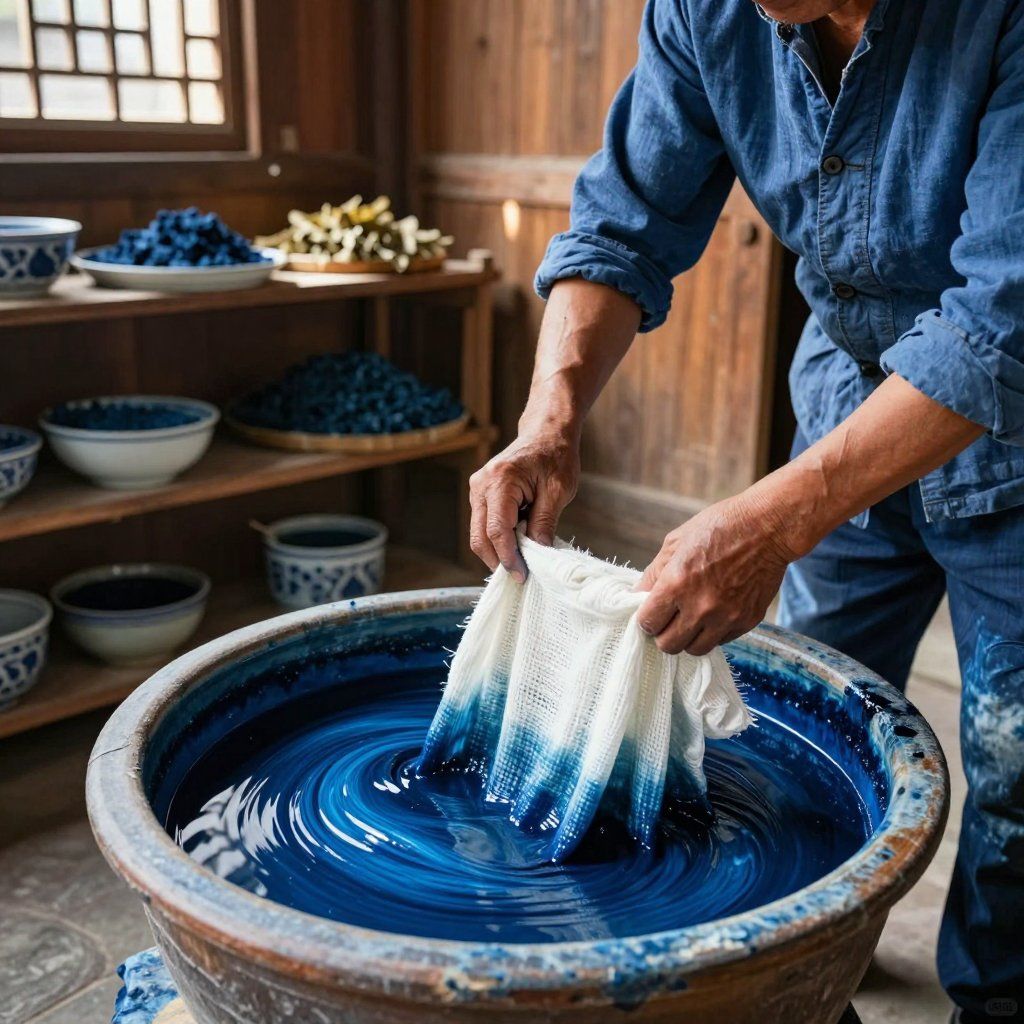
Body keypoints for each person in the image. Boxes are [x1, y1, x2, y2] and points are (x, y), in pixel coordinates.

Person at [467, 1, 1024, 1021]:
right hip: (849, 402)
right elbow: (619, 225)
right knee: (803, 742)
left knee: (1016, 784)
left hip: (1016, 431)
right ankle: (809, 981)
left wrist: (772, 522)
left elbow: (1002, 324)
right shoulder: (705, 13)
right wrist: (548, 419)